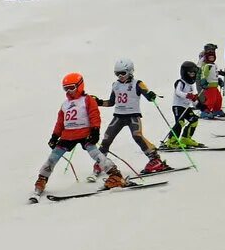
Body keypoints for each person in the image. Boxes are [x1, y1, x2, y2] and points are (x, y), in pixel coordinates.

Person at [31, 73, 127, 201]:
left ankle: (115, 176)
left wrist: (95, 131)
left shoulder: (87, 100)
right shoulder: (65, 104)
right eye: (66, 89)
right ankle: (41, 180)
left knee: (96, 155)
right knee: (52, 158)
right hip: (67, 136)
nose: (69, 91)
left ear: (80, 86)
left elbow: (94, 115)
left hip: (84, 134)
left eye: (72, 87)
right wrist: (55, 136)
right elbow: (60, 122)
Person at [92, 58, 171, 179]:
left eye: (123, 73)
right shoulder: (115, 85)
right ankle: (101, 162)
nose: (120, 76)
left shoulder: (137, 83)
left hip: (133, 115)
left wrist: (151, 95)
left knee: (137, 135)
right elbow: (112, 102)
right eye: (117, 74)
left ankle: (155, 159)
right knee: (107, 138)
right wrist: (99, 102)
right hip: (118, 116)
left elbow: (148, 95)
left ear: (130, 71)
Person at [162, 62, 204, 149]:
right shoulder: (180, 82)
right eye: (190, 72)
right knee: (180, 122)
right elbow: (178, 92)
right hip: (178, 106)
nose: (192, 74)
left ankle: (185, 138)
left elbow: (193, 99)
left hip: (186, 107)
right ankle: (171, 141)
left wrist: (199, 105)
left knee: (194, 120)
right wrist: (187, 95)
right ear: (184, 72)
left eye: (194, 73)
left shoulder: (191, 85)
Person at [197, 43, 225, 117]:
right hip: (208, 84)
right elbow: (203, 72)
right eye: (211, 49)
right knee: (211, 99)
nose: (213, 51)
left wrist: (218, 78)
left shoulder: (213, 64)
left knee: (218, 98)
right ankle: (205, 111)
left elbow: (213, 73)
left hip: (214, 84)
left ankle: (216, 110)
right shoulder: (204, 60)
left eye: (213, 50)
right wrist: (203, 81)